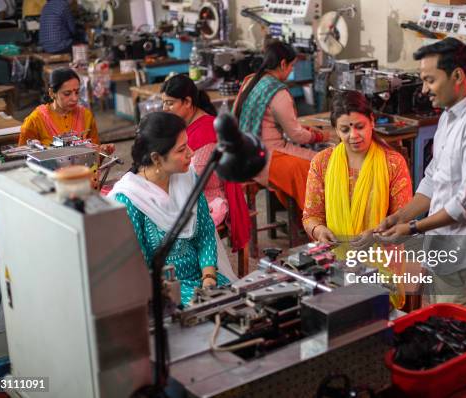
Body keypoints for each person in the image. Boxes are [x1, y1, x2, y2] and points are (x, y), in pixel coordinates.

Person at [373, 38, 466, 309]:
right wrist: (400, 216)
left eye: (430, 80)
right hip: (443, 247)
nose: (424, 90)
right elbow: (434, 179)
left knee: (455, 337)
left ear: (457, 75)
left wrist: (411, 228)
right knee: (437, 327)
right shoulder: (449, 115)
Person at [303, 91, 413, 308]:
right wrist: (318, 231)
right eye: (345, 129)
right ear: (335, 130)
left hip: (382, 265)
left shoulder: (393, 164)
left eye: (360, 126)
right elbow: (311, 215)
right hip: (335, 264)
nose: (353, 135)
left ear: (372, 121)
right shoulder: (322, 163)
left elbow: (402, 220)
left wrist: (374, 235)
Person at [109, 112, 230, 306]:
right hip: (164, 294)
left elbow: (206, 234)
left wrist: (209, 278)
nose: (191, 153)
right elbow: (140, 269)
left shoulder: (188, 178)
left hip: (205, 280)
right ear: (156, 158)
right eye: (182, 150)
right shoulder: (129, 199)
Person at [161, 74, 250, 269]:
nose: (164, 110)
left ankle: (189, 275)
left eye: (169, 104)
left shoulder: (206, 131)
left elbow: (194, 178)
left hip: (209, 197)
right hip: (192, 191)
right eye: (163, 104)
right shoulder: (187, 127)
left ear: (187, 102)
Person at [233, 40, 329, 210]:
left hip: (242, 156)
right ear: (283, 63)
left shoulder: (250, 81)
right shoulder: (278, 92)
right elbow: (296, 135)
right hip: (266, 159)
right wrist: (321, 135)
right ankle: (316, 220)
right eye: (291, 66)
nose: (291, 70)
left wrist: (304, 131)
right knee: (318, 164)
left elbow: (238, 115)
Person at [19, 68, 105, 149]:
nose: (75, 98)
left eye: (77, 92)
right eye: (67, 93)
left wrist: (103, 151)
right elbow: (23, 158)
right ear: (52, 93)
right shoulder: (35, 121)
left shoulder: (86, 116)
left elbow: (95, 153)